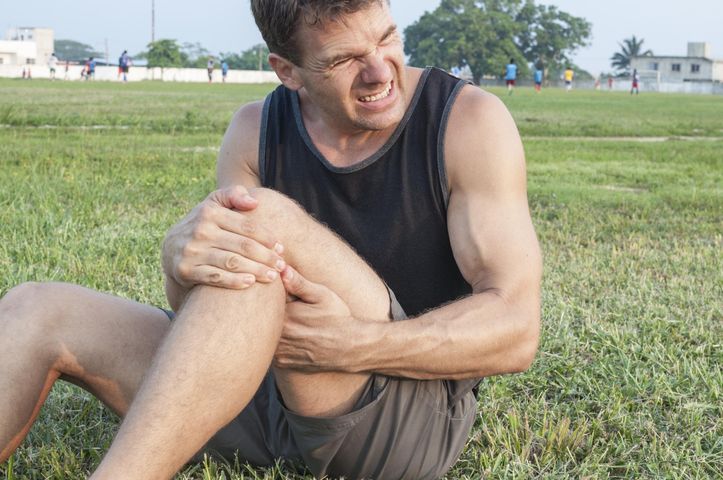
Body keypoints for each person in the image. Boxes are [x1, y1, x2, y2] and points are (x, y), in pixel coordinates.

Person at [0, 1, 542, 479]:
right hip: (260, 398)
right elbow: (218, 313)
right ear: (288, 71)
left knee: (263, 222)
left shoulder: (466, 120)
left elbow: (517, 330)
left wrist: (351, 344)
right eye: (342, 59)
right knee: (35, 308)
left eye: (386, 39)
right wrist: (177, 264)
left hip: (402, 417)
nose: (379, 71)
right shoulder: (254, 130)